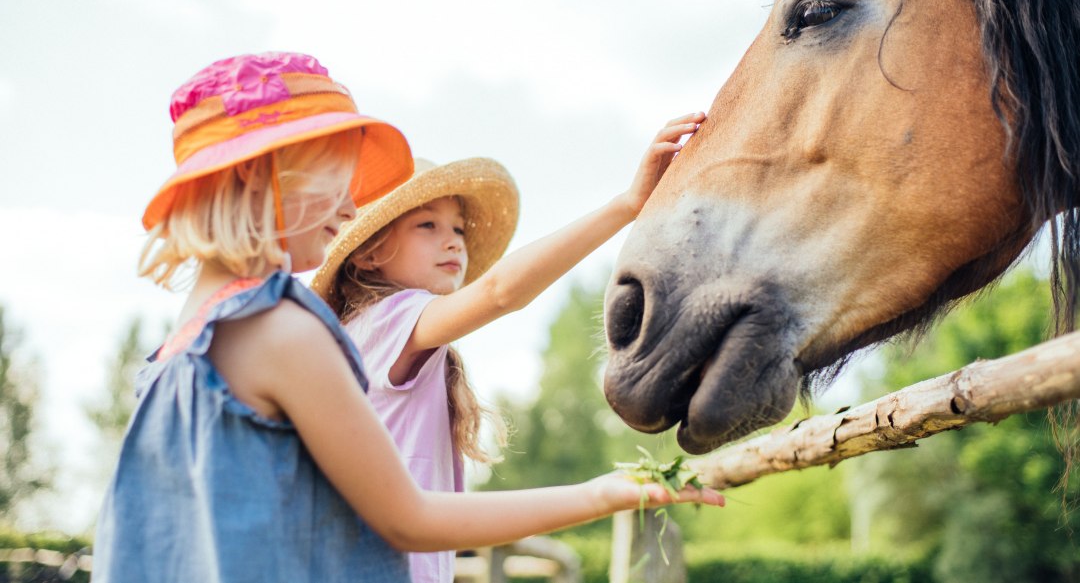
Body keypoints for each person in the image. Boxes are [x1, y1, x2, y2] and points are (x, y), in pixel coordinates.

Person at [92, 51, 722, 583]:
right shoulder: (283, 330)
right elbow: (407, 520)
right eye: (337, 179)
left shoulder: (173, 355)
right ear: (265, 175)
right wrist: (603, 494)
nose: (348, 206)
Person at [309, 112, 707, 582]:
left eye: (457, 229)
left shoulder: (370, 337)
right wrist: (626, 205)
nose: (453, 242)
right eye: (427, 226)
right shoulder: (385, 322)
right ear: (370, 252)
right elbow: (500, 292)